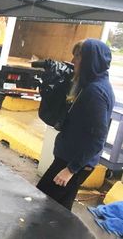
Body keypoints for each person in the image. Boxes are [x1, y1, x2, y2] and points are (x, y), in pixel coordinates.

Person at [36, 39, 115, 210]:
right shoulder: (89, 85)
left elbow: (98, 138)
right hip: (71, 158)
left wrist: (71, 170)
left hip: (74, 162)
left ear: (90, 60)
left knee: (44, 205)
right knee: (60, 209)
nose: (73, 62)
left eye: (77, 57)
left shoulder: (95, 92)